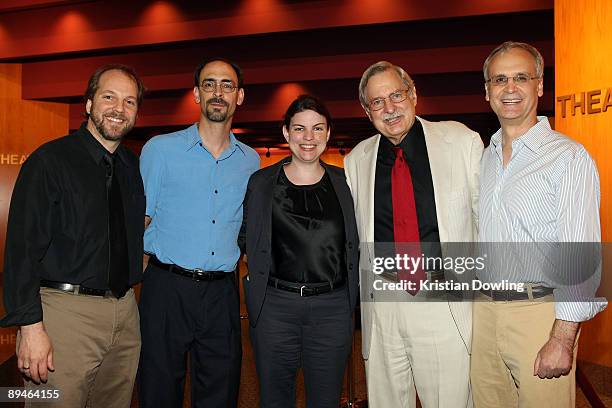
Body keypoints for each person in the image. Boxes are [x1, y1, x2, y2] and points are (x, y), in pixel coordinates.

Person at [0, 64, 145, 407]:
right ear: (89, 104)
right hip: (64, 314)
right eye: (109, 97)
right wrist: (30, 327)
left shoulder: (132, 167)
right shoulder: (50, 161)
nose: (119, 109)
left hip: (125, 313)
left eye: (129, 102)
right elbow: (21, 250)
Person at [472, 41, 606, 408]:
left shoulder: (568, 158)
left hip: (539, 314)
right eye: (499, 79)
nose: (509, 88)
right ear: (487, 92)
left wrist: (562, 338)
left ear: (540, 86)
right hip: (484, 314)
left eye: (521, 77)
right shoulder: (486, 158)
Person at [344, 61, 483, 407]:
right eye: (377, 102)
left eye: (396, 95)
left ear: (414, 94)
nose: (389, 108)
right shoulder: (357, 159)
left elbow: (485, 222)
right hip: (383, 308)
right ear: (366, 110)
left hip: (444, 302)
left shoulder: (462, 142)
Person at [138, 58, 260, 408]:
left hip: (222, 293)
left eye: (227, 85)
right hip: (165, 290)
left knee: (221, 393)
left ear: (239, 96)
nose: (218, 92)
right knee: (158, 391)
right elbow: (139, 224)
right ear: (196, 94)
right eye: (209, 84)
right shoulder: (160, 150)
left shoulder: (250, 162)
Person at [238, 95, 359, 407]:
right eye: (300, 129)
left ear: (328, 133)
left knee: (325, 399)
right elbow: (247, 239)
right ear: (285, 132)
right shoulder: (262, 182)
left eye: (318, 129)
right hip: (275, 308)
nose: (309, 138)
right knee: (275, 399)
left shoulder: (346, 184)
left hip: (331, 309)